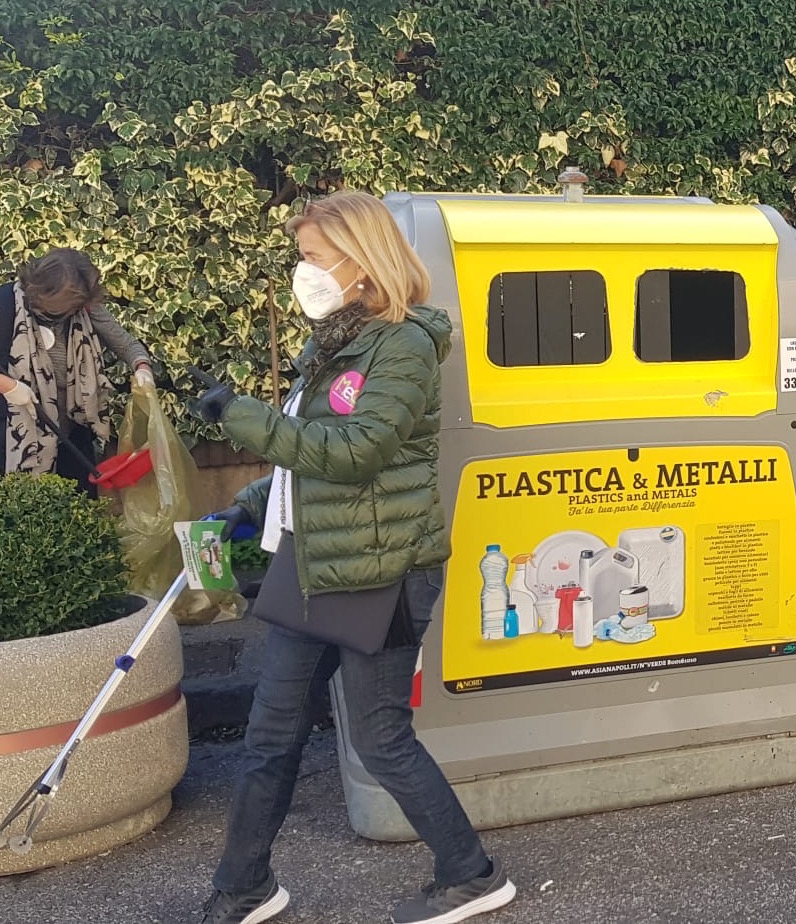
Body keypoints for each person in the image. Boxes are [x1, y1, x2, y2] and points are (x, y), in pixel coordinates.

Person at [190, 191, 516, 924]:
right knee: (268, 737)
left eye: (312, 257)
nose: (301, 272)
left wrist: (241, 416)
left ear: (361, 261)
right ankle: (243, 888)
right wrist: (248, 506)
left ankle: (472, 875)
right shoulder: (333, 341)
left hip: (384, 571)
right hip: (312, 564)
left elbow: (355, 451)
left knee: (380, 738)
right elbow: (308, 455)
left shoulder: (404, 345)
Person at [0, 247, 153, 496]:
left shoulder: (83, 306)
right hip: (14, 434)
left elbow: (127, 345)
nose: (76, 311)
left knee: (80, 506)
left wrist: (142, 368)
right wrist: (10, 387)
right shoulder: (6, 304)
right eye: (70, 305)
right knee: (25, 507)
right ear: (44, 293)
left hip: (72, 433)